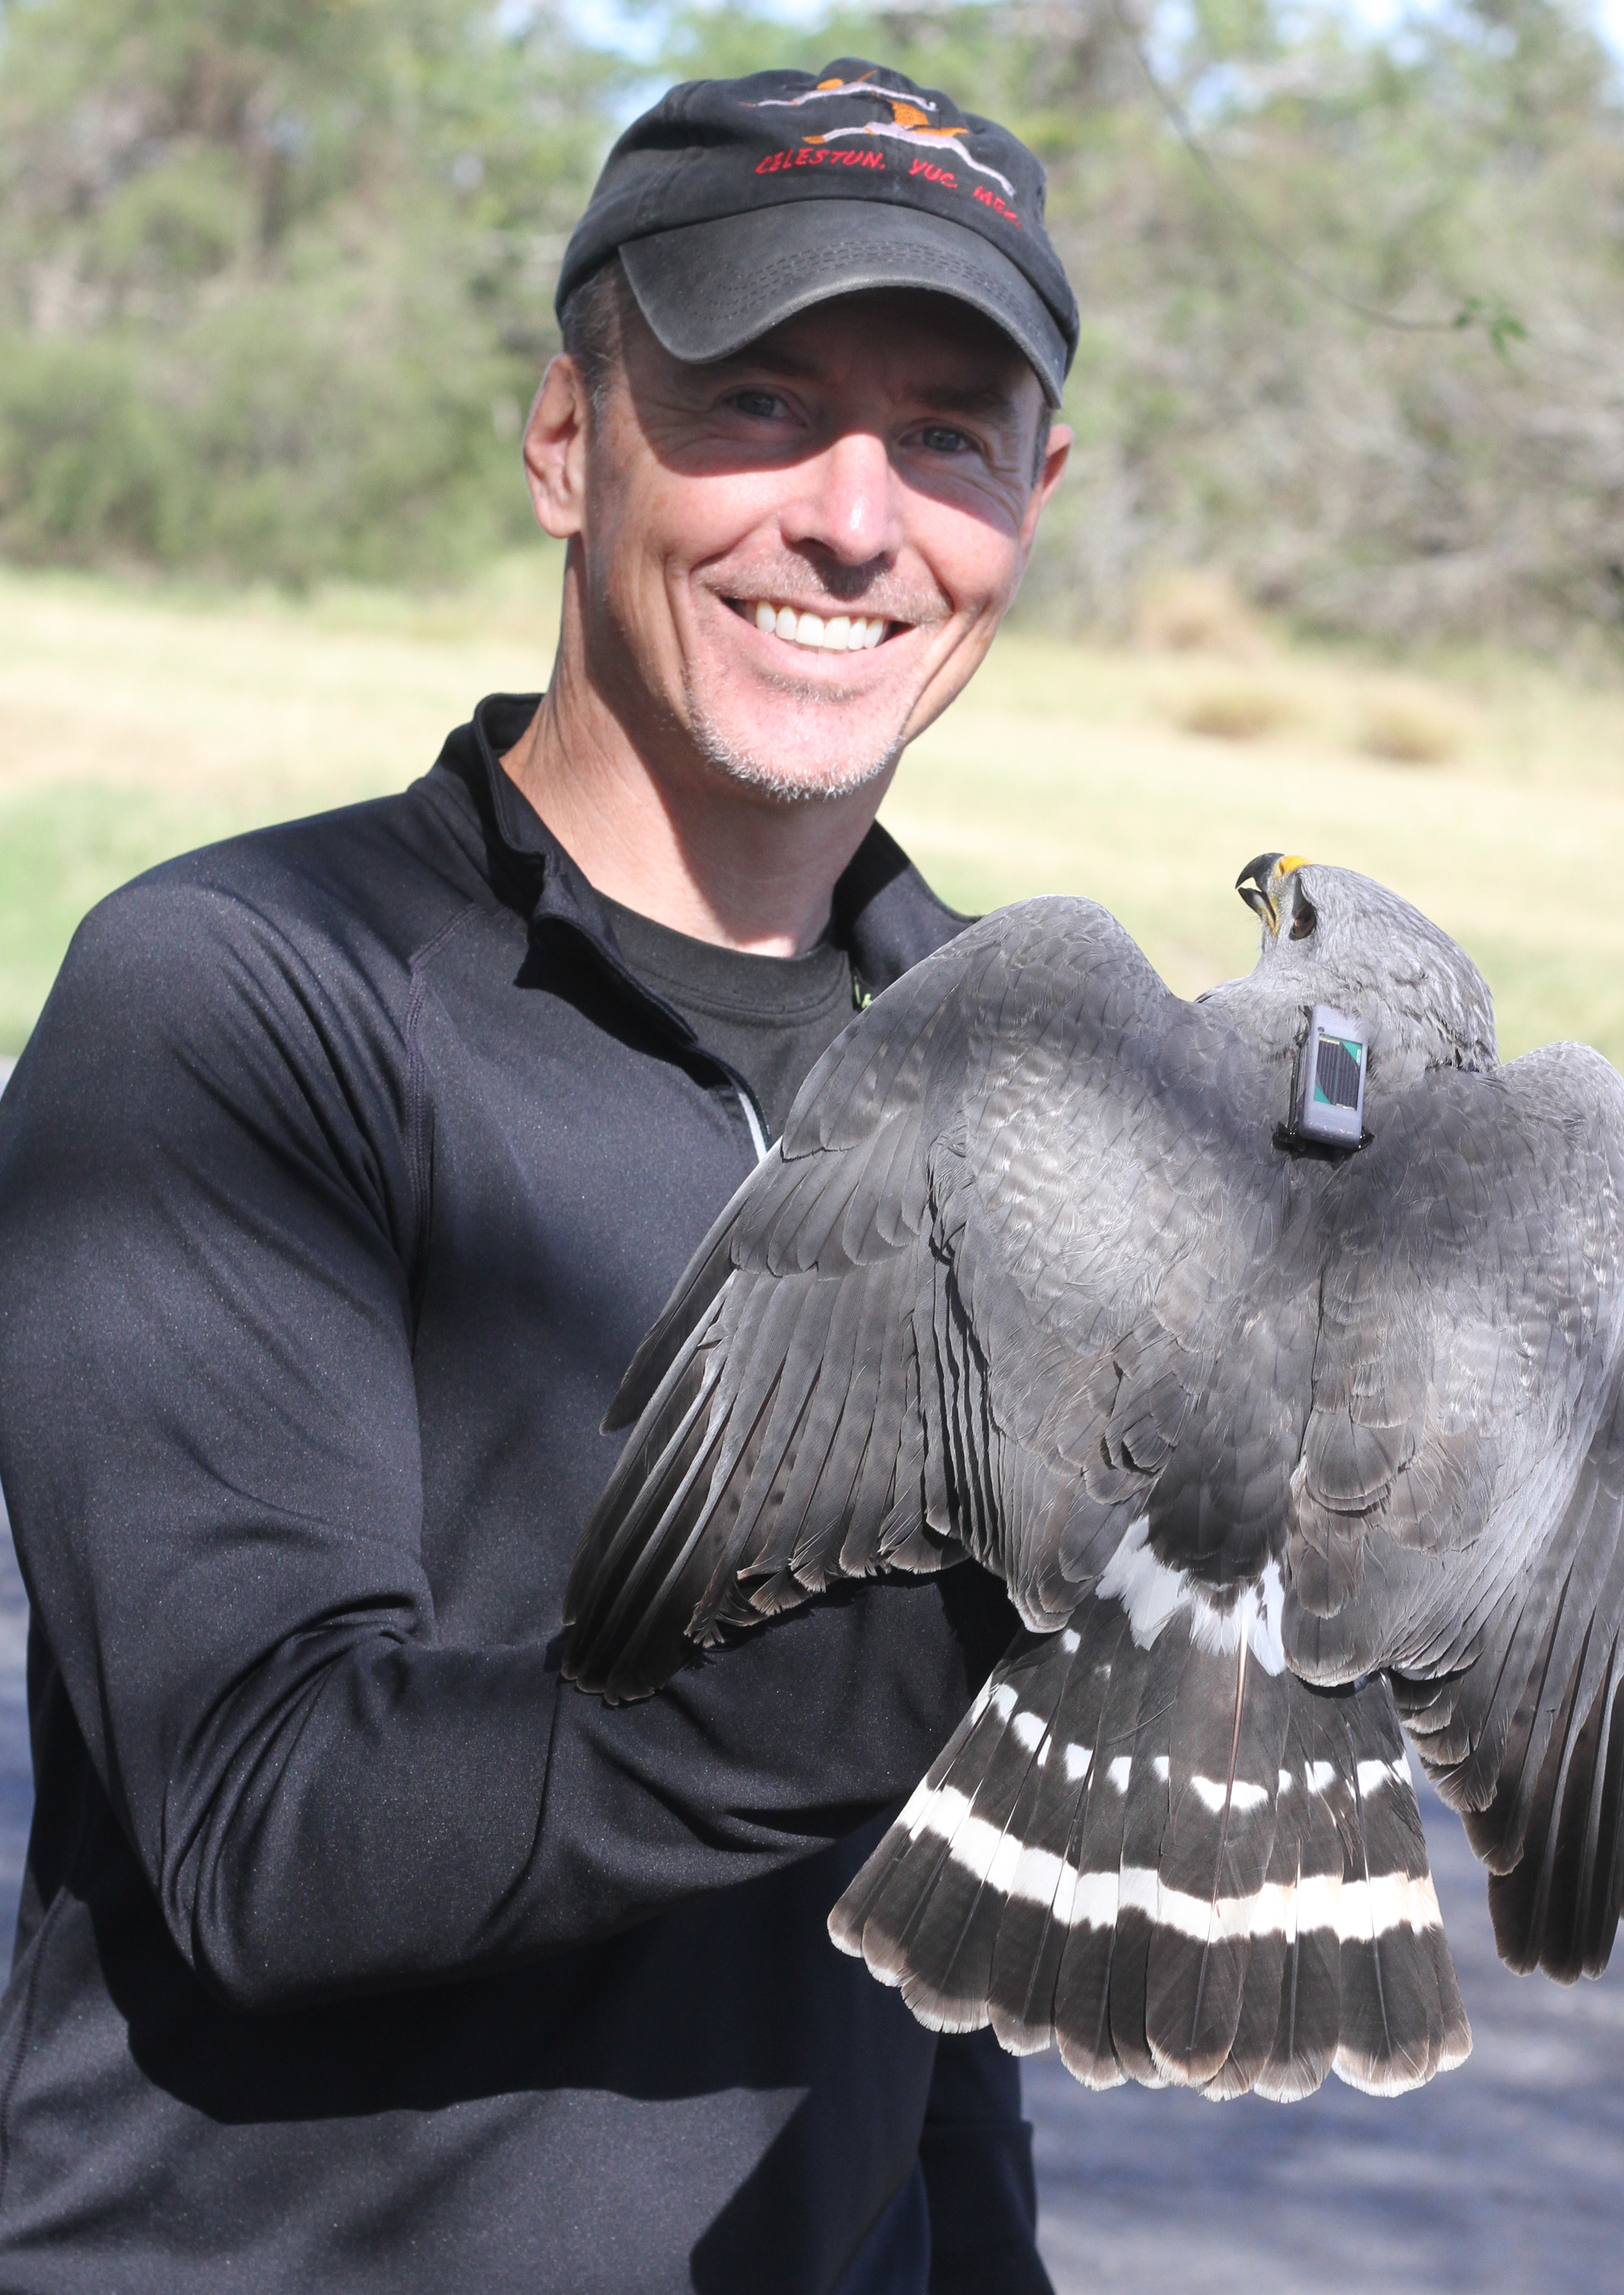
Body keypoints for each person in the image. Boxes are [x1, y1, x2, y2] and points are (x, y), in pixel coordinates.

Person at [0, 59, 1076, 2295]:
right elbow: (267, 1820)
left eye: (944, 433)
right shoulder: (247, 994)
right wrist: (1001, 1583)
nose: (856, 518)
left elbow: (933, 1924)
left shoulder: (1012, 1063)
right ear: (569, 437)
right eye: (761, 402)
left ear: (1032, 497)